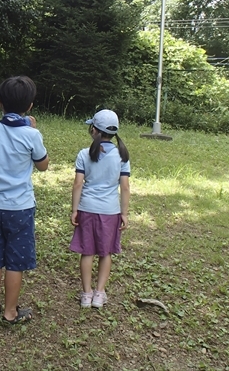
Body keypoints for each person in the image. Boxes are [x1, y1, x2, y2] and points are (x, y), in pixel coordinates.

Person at [0, 76, 49, 324]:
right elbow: (43, 165)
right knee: (15, 261)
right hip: (21, 208)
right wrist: (33, 131)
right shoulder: (31, 135)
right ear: (30, 106)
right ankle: (10, 312)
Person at [69, 109, 130, 309]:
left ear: (94, 130)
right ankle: (99, 293)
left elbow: (78, 184)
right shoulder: (122, 155)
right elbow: (125, 187)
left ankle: (86, 294)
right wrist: (125, 213)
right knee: (106, 253)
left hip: (87, 208)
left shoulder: (84, 154)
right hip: (110, 211)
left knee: (87, 252)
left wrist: (74, 209)